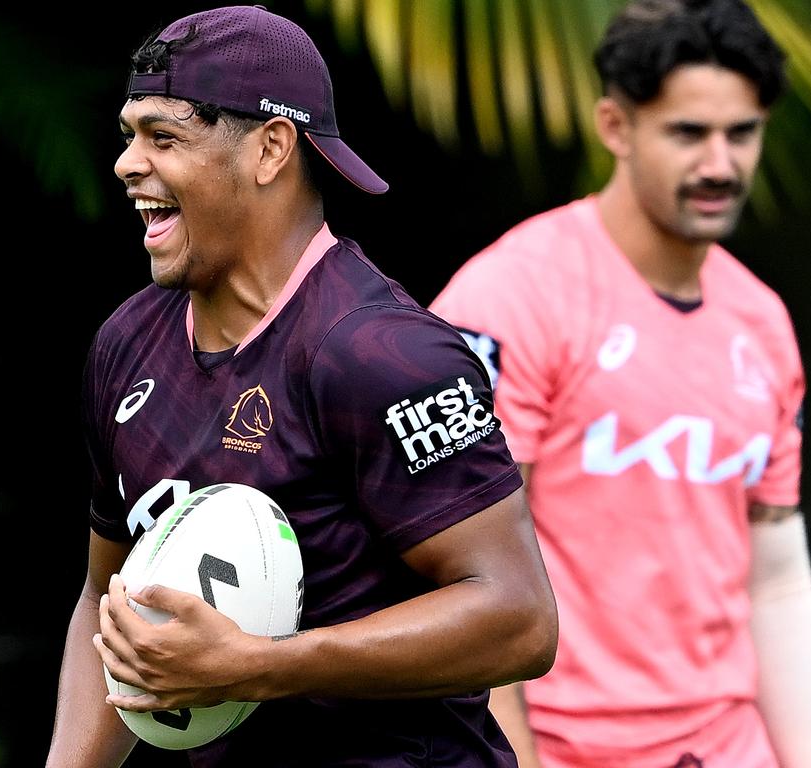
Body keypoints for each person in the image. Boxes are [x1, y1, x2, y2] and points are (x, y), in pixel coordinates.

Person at [44, 6, 558, 767]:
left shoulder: (383, 354)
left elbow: (518, 619)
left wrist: (258, 665)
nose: (126, 163)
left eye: (164, 136)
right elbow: (107, 599)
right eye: (129, 136)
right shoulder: (128, 343)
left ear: (270, 148)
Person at [430, 1, 811, 767]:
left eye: (743, 133)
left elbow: (779, 583)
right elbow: (456, 575)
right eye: (689, 133)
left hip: (731, 748)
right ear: (615, 128)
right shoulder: (510, 299)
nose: (721, 164)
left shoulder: (762, 323)